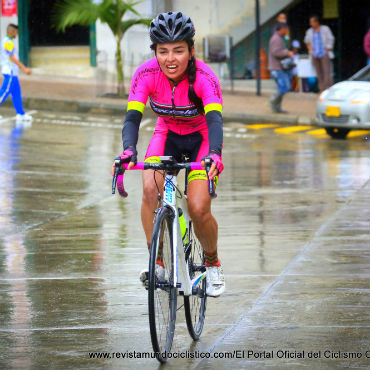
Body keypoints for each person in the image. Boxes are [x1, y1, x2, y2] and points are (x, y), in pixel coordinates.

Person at [115, 12, 225, 297]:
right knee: (150, 188)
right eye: (163, 51)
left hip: (201, 140)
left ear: (191, 50)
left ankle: (212, 264)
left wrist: (214, 154)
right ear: (155, 52)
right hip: (167, 136)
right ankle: (158, 262)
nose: (170, 59)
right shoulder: (146, 74)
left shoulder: (204, 78)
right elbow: (132, 118)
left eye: (178, 50)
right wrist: (129, 150)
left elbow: (214, 120)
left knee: (199, 207)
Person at [0, 24, 32, 121]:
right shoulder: (8, 42)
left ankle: (20, 113)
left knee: (16, 93)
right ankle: (20, 113)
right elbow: (12, 58)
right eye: (16, 32)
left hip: (13, 72)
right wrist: (24, 68)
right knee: (4, 92)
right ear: (12, 32)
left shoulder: (7, 41)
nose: (17, 34)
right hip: (10, 72)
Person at [268, 22, 294, 113]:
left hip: (279, 68)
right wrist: (287, 53)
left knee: (282, 87)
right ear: (282, 29)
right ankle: (273, 100)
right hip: (277, 68)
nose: (287, 31)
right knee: (284, 87)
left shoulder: (278, 38)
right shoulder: (276, 39)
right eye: (286, 29)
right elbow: (275, 52)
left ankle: (277, 107)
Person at [304, 15, 335, 92]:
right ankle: (321, 89)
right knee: (318, 73)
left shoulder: (325, 29)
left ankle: (328, 89)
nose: (311, 24)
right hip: (315, 54)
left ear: (317, 22)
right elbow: (307, 41)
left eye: (312, 22)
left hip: (324, 53)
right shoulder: (309, 31)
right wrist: (311, 51)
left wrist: (327, 50)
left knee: (327, 72)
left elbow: (331, 39)